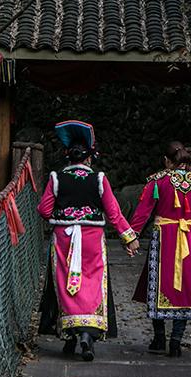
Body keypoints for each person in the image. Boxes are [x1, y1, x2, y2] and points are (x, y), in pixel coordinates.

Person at [36, 120, 140, 361]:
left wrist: (63, 215)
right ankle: (87, 335)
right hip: (92, 237)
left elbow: (43, 209)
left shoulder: (56, 178)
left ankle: (72, 334)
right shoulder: (100, 179)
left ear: (68, 157)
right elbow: (114, 212)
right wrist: (129, 238)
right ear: (89, 158)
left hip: (64, 237)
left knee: (66, 282)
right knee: (91, 281)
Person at [129, 141, 191, 357]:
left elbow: (142, 212)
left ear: (167, 161)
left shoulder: (158, 181)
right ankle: (176, 342)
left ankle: (158, 339)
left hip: (164, 238)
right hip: (189, 239)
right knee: (185, 285)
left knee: (157, 282)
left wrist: (131, 235)